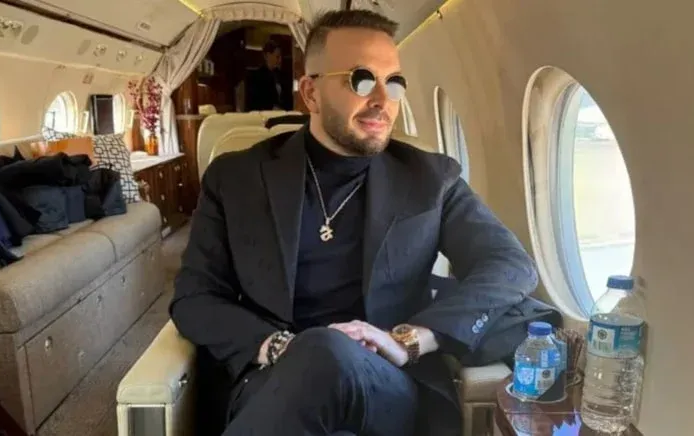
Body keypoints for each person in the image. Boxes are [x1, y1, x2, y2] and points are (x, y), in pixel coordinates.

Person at [170, 9, 539, 436]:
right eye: (361, 80)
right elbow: (195, 297)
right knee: (319, 357)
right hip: (273, 382)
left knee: (325, 350)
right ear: (311, 93)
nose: (382, 99)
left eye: (394, 82)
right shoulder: (236, 178)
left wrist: (409, 339)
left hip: (387, 386)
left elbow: (510, 266)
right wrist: (280, 346)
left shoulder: (430, 179)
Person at [245, 40, 291, 111]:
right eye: (277, 57)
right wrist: (271, 108)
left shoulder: (282, 76)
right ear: (267, 56)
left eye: (281, 57)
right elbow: (254, 102)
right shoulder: (256, 77)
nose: (280, 60)